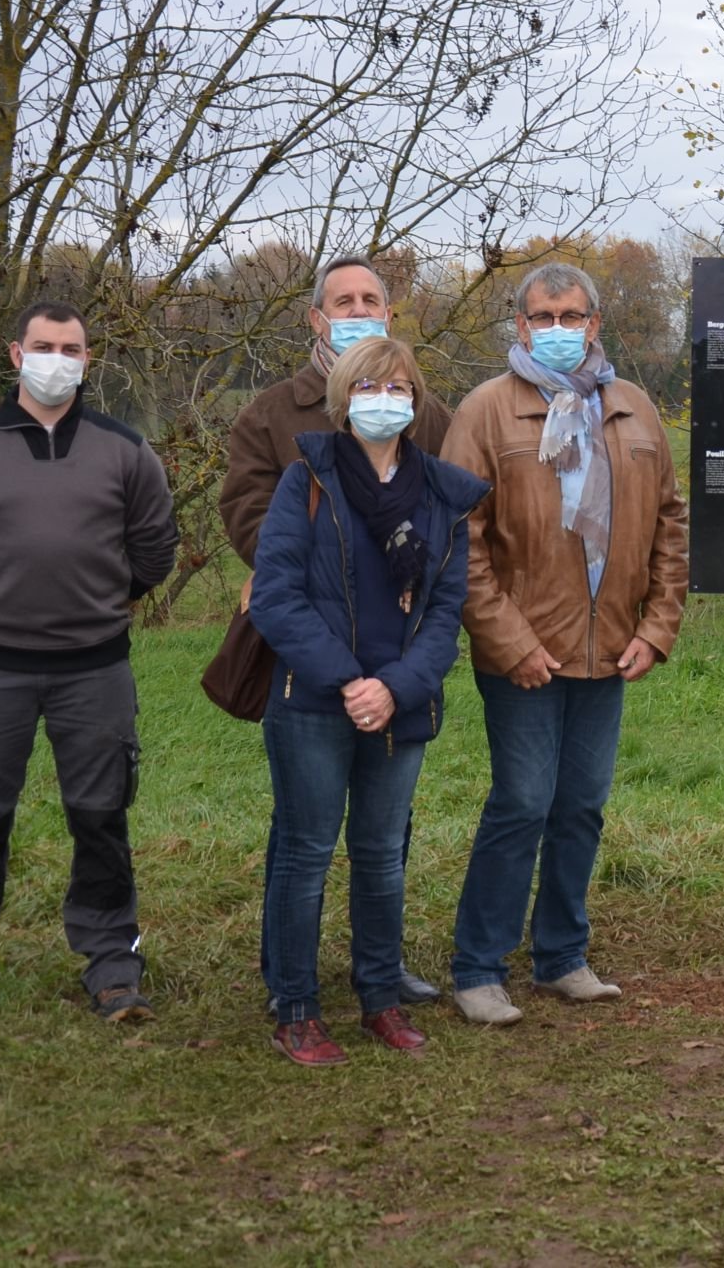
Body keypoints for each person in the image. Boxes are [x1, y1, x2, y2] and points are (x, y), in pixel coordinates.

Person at [0, 302, 178, 1025]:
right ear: (16, 354)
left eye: (73, 348)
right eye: (45, 345)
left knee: (100, 815)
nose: (59, 358)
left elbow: (154, 550)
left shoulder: (126, 451)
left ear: (89, 361)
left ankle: (114, 966)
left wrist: (94, 603)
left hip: (96, 669)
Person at [442, 262, 690, 1024]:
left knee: (581, 805)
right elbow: (459, 539)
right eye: (542, 317)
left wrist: (656, 627)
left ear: (595, 325)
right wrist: (506, 637)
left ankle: (561, 957)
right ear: (519, 326)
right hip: (525, 652)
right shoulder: (485, 412)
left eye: (571, 316)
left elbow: (672, 524)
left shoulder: (636, 409)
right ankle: (479, 968)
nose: (558, 329)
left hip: (610, 646)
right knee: (522, 803)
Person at [220, 254, 454, 1006]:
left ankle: (377, 974)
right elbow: (248, 508)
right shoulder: (272, 414)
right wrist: (311, 563)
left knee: (385, 838)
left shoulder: (432, 412)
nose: (359, 309)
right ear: (318, 319)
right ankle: (287, 974)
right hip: (311, 645)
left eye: (372, 298)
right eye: (343, 300)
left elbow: (447, 528)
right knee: (305, 834)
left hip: (398, 647)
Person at [249, 336, 487, 1065]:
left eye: (399, 389)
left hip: (400, 705)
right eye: (368, 388)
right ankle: (297, 1007)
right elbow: (277, 597)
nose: (384, 401)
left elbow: (446, 614)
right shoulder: (307, 481)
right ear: (342, 398)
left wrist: (397, 687)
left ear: (416, 403)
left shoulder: (446, 494)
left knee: (383, 856)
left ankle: (379, 997)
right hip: (316, 701)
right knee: (307, 853)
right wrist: (350, 681)